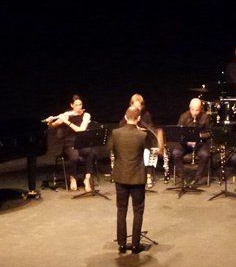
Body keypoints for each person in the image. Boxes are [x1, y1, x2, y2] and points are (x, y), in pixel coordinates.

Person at [109, 107, 155, 254]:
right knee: (138, 211)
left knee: (121, 210)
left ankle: (122, 244)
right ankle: (135, 245)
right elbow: (146, 152)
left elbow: (114, 152)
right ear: (138, 119)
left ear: (125, 116)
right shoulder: (142, 135)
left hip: (121, 176)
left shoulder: (116, 133)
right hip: (137, 178)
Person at [48, 95, 98, 192]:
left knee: (91, 152)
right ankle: (73, 178)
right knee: (74, 157)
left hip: (82, 142)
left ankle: (87, 179)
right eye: (76, 105)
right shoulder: (67, 114)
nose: (79, 107)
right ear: (72, 105)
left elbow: (81, 130)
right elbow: (53, 125)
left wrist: (67, 122)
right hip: (69, 143)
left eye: (80, 104)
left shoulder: (86, 115)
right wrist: (50, 122)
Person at [118, 94, 166, 188]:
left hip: (143, 141)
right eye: (135, 106)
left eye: (139, 106)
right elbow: (121, 127)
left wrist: (142, 129)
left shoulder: (146, 115)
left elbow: (151, 128)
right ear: (131, 105)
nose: (138, 109)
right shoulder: (128, 113)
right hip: (130, 141)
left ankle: (148, 175)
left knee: (147, 151)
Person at [172, 98, 212, 187]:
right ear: (189, 107)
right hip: (185, 144)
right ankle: (183, 177)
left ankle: (197, 178)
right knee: (175, 153)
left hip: (200, 144)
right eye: (192, 109)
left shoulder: (205, 117)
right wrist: (186, 140)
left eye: (197, 110)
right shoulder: (184, 116)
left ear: (201, 108)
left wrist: (199, 137)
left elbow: (209, 133)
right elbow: (178, 132)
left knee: (205, 155)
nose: (194, 112)